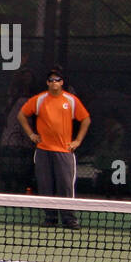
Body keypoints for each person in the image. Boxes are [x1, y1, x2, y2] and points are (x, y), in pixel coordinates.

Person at [17, 65, 91, 228]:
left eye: (57, 79)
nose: (54, 82)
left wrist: (77, 141)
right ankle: (50, 217)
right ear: (47, 83)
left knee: (65, 185)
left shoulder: (71, 100)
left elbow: (85, 119)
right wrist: (31, 135)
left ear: (62, 82)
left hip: (65, 151)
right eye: (51, 80)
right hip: (43, 151)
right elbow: (22, 115)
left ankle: (69, 218)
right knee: (45, 185)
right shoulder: (39, 99)